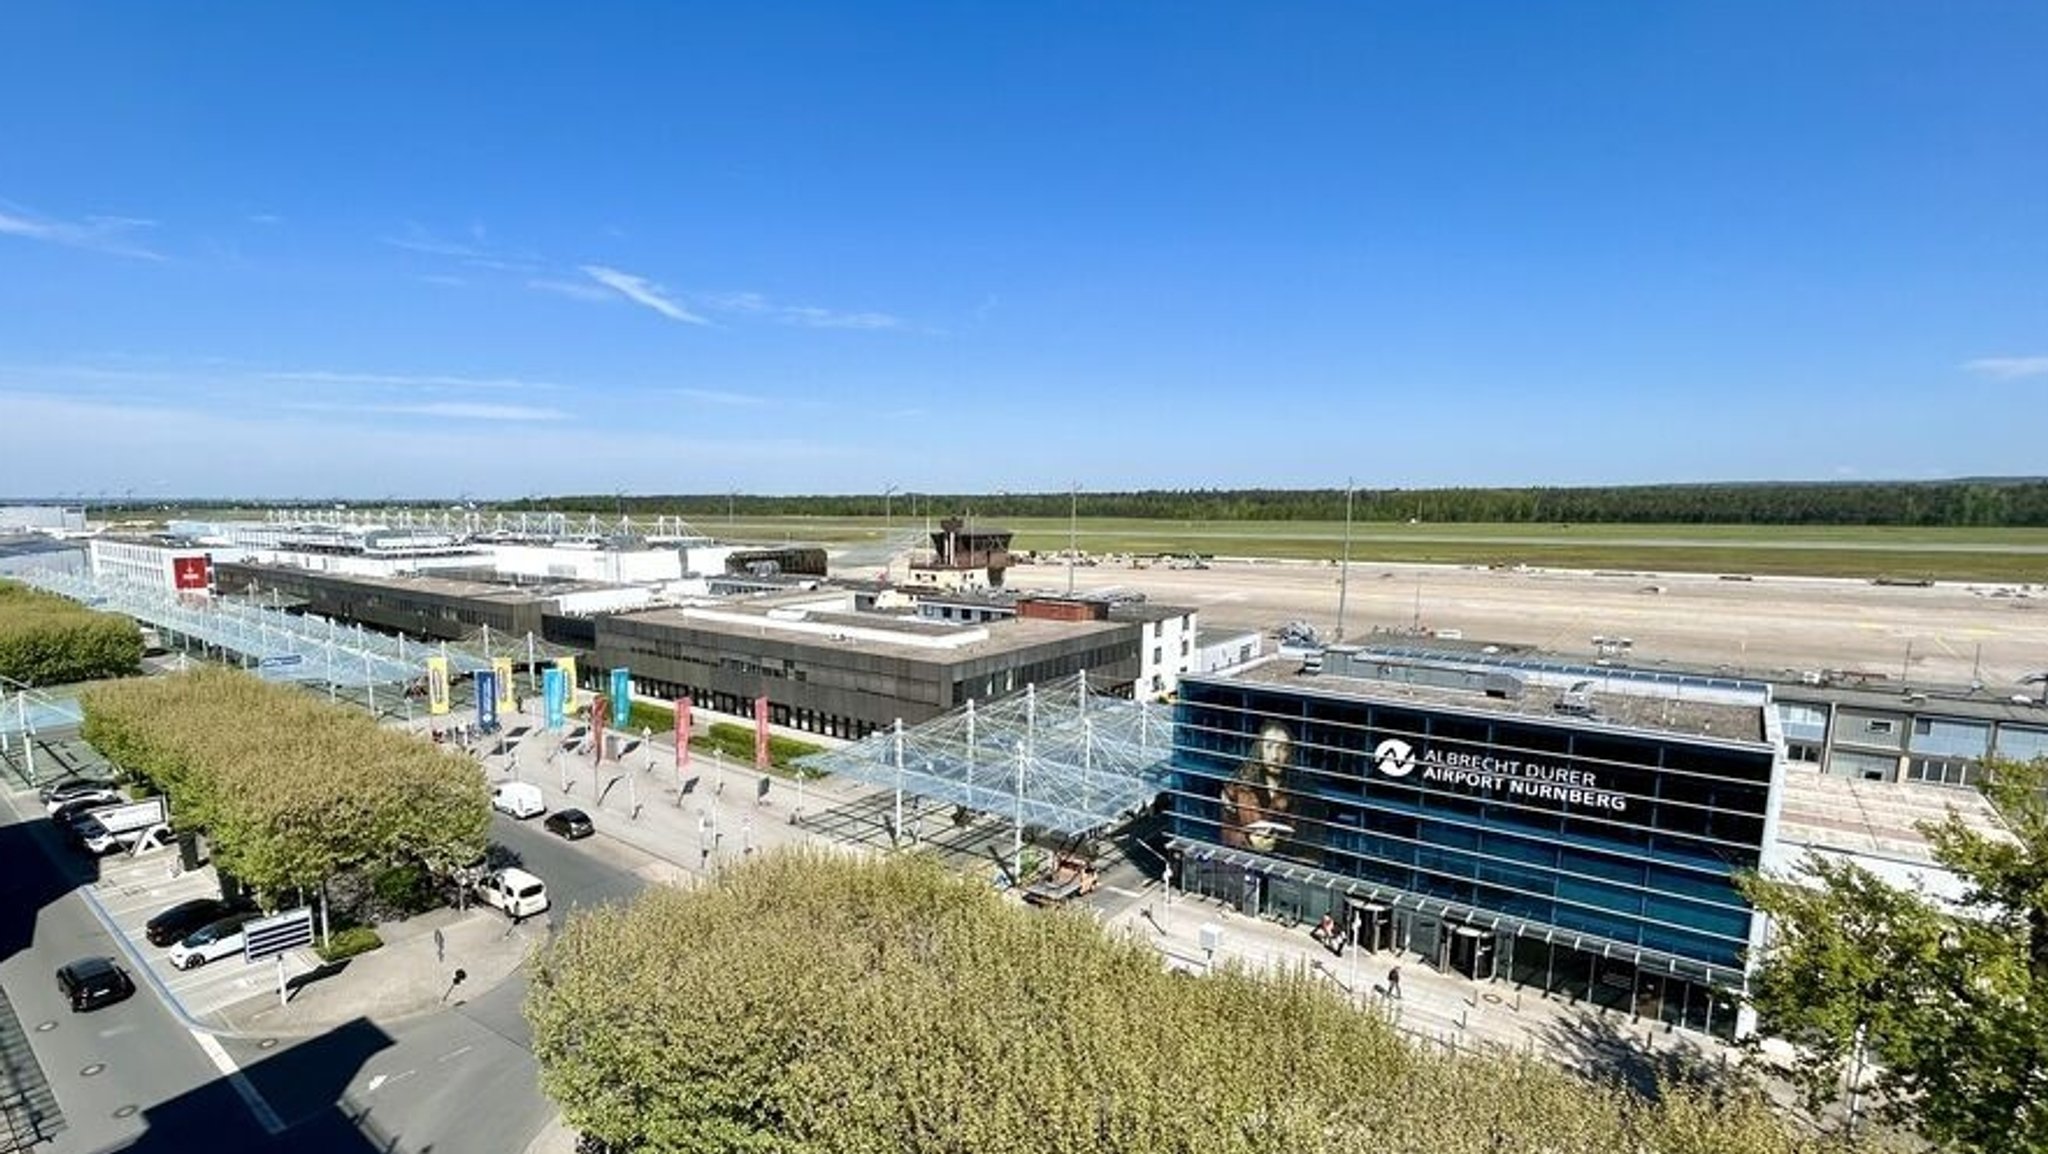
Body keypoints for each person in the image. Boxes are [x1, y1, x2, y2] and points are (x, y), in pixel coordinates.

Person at [1219, 720, 1295, 853]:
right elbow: (1226, 832)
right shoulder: (1237, 789)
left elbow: (1308, 844)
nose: (1275, 756)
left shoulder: (1300, 792)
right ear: (1260, 749)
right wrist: (1249, 842)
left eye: (1282, 748)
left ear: (1290, 753)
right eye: (1269, 747)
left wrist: (1281, 844)